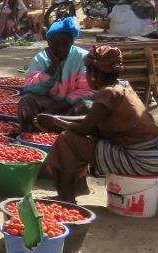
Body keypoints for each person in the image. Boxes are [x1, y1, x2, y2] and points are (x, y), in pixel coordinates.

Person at [37, 45, 158, 203]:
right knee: (75, 138)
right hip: (151, 156)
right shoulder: (122, 86)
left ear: (93, 73)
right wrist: (56, 118)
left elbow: (84, 129)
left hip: (139, 160)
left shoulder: (108, 93)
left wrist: (55, 121)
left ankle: (66, 198)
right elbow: (91, 119)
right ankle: (77, 188)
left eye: (87, 71)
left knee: (68, 140)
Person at [18, 17, 93, 133]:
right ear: (48, 43)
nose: (61, 49)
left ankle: (69, 137)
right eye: (56, 44)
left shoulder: (83, 58)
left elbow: (87, 91)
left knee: (87, 106)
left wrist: (53, 110)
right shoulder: (41, 59)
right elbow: (31, 87)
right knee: (27, 100)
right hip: (49, 102)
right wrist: (52, 67)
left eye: (65, 44)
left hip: (72, 107)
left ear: (72, 42)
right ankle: (32, 135)